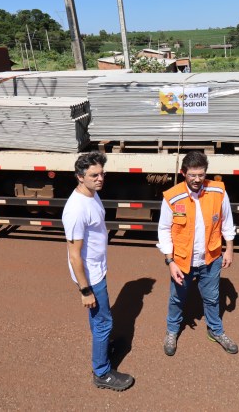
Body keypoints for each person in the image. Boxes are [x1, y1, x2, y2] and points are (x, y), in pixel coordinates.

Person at [62, 151, 134, 391]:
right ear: (79, 177)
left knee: (99, 319)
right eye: (94, 175)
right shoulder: (75, 209)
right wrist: (85, 290)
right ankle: (101, 372)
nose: (100, 178)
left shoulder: (92, 194)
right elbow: (74, 256)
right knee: (103, 321)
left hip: (97, 270)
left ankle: (103, 348)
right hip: (89, 276)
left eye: (102, 173)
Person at [157, 151, 238, 356]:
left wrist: (229, 249)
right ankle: (172, 331)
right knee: (177, 299)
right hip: (182, 261)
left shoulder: (218, 191)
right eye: (192, 174)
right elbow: (164, 230)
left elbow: (227, 221)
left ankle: (216, 331)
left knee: (212, 298)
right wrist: (170, 261)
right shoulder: (172, 197)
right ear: (183, 172)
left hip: (210, 259)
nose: (197, 179)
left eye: (201, 174)